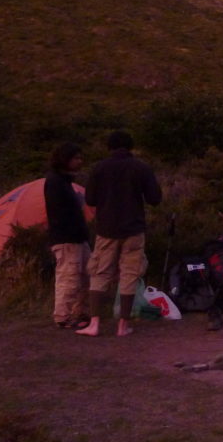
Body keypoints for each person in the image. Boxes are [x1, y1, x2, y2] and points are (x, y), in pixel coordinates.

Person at [76, 131, 162, 337]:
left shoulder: (99, 168)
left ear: (110, 147)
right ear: (130, 146)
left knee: (100, 272)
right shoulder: (141, 167)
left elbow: (90, 199)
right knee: (130, 274)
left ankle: (94, 324)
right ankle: (123, 325)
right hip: (134, 229)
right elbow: (155, 198)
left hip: (107, 229)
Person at [44, 142, 91, 329]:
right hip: (66, 238)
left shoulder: (65, 181)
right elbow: (60, 213)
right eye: (76, 158)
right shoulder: (55, 182)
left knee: (87, 274)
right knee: (69, 277)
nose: (80, 162)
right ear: (66, 160)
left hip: (78, 237)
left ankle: (80, 312)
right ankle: (63, 316)